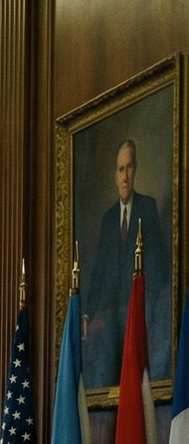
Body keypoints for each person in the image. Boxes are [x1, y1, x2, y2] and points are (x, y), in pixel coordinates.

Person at [83, 138, 169, 387]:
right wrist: (88, 312)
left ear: (136, 169)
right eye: (121, 169)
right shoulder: (109, 219)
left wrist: (148, 305)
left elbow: (158, 267)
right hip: (112, 311)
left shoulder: (148, 207)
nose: (125, 176)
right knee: (103, 351)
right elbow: (99, 272)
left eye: (130, 167)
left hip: (140, 305)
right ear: (115, 175)